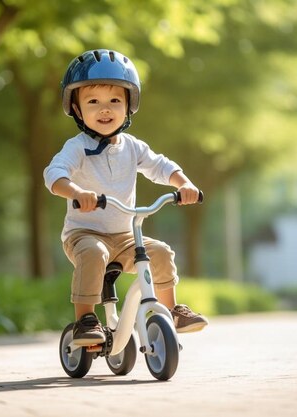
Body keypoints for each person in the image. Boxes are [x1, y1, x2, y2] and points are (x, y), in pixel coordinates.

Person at [44, 49, 208, 345]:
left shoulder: (132, 147)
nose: (104, 109)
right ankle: (85, 320)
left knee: (159, 252)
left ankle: (171, 310)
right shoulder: (76, 147)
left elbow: (160, 166)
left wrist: (183, 183)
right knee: (93, 253)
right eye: (93, 101)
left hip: (125, 236)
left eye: (114, 101)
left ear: (129, 106)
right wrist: (77, 192)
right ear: (77, 109)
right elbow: (54, 175)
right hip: (84, 233)